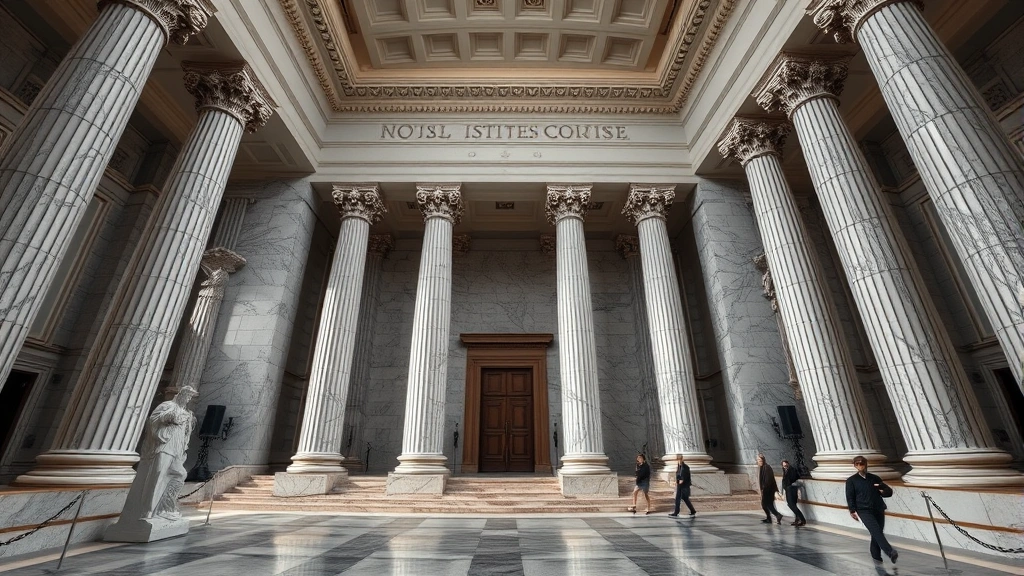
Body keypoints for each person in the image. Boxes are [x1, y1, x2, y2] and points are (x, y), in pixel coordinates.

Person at [846, 455, 898, 564]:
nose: (860, 466)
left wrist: (882, 491)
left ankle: (875, 555)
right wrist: (852, 510)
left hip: (878, 508)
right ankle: (890, 552)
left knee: (877, 532)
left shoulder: (874, 478)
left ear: (866, 464)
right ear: (854, 465)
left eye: (862, 463)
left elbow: (888, 491)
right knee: (876, 531)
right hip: (863, 510)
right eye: (857, 464)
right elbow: (850, 496)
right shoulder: (851, 480)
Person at [756, 453, 783, 524]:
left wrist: (764, 488)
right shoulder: (762, 468)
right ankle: (769, 518)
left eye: (760, 460)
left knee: (767, 504)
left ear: (763, 460)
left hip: (768, 490)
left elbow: (768, 480)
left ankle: (777, 515)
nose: (759, 461)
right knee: (765, 504)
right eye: (758, 460)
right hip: (766, 489)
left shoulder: (767, 467)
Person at [780, 459, 806, 526]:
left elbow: (793, 478)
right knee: (792, 505)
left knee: (791, 505)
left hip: (791, 489)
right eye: (783, 466)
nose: (784, 466)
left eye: (785, 465)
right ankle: (797, 519)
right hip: (788, 489)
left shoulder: (792, 470)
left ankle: (802, 519)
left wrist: (788, 484)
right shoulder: (785, 471)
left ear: (788, 464)